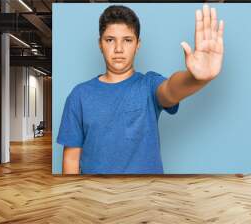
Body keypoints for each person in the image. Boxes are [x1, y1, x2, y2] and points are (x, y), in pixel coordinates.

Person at [57, 4, 225, 174]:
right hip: (97, 197)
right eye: (110, 40)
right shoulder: (79, 95)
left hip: (148, 196)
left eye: (127, 40)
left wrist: (195, 78)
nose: (118, 49)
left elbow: (171, 90)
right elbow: (71, 159)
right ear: (100, 44)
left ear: (138, 44)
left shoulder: (149, 85)